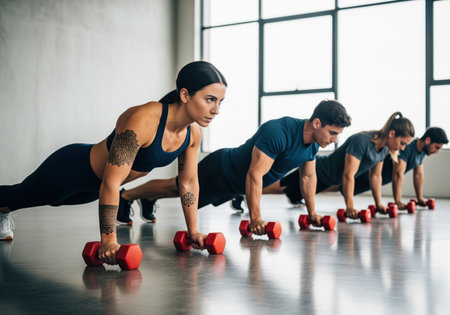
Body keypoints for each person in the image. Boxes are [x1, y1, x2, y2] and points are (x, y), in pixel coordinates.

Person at [0, 61, 227, 262]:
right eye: (210, 100)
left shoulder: (193, 133)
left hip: (94, 189)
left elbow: (188, 183)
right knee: (21, 197)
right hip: (71, 169)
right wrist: (108, 241)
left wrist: (194, 230)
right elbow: (111, 181)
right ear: (185, 95)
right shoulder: (143, 119)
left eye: (220, 102)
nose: (216, 110)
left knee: (53, 201)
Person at [117, 100, 352, 233]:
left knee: (176, 191)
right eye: (332, 133)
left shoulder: (312, 146)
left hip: (233, 186)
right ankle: (127, 195)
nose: (334, 139)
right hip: (221, 168)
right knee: (175, 188)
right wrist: (256, 218)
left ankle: (146, 199)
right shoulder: (279, 131)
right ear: (317, 122)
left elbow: (308, 179)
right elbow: (255, 174)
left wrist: (312, 213)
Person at [249, 112, 415, 219]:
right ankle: (242, 191)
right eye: (402, 143)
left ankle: (293, 197)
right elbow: (348, 175)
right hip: (320, 171)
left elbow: (376, 176)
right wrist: (350, 207)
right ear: (392, 134)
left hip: (331, 181)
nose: (403, 148)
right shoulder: (362, 141)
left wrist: (379, 204)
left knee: (294, 193)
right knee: (281, 187)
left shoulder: (383, 150)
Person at [337, 127, 447, 209]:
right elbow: (398, 173)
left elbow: (419, 175)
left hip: (380, 180)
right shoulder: (408, 147)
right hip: (369, 175)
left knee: (337, 186)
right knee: (335, 184)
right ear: (428, 140)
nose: (437, 151)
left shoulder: (421, 152)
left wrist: (420, 198)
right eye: (437, 147)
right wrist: (398, 201)